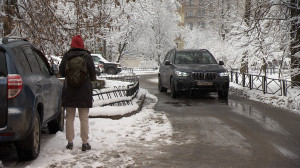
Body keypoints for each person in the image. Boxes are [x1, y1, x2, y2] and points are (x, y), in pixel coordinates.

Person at [59, 35, 96, 151]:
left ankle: (70, 142)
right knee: (84, 117)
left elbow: (61, 72)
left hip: (70, 91)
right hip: (84, 91)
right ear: (82, 44)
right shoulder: (87, 56)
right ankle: (85, 143)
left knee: (70, 117)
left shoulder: (67, 56)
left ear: (72, 44)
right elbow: (93, 74)